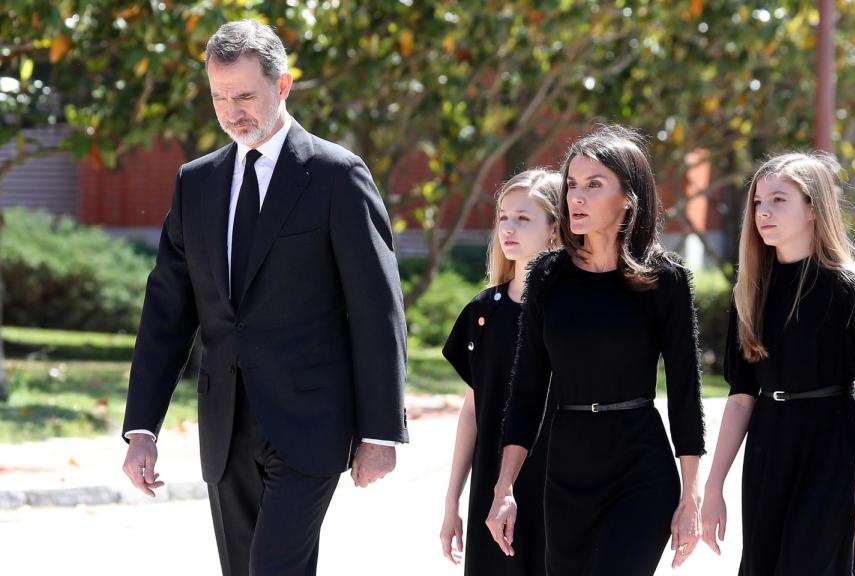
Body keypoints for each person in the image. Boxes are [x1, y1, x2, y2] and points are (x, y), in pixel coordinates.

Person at [119, 20, 408, 576]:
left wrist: (379, 432)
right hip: (225, 425)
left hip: (311, 422)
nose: (232, 112)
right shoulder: (195, 182)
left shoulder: (335, 175)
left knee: (274, 567)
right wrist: (142, 428)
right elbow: (167, 314)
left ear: (283, 86)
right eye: (219, 98)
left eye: (245, 95)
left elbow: (378, 309)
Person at [487, 126, 706, 575]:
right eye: (571, 184)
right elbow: (526, 389)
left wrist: (691, 497)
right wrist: (504, 487)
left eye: (593, 184)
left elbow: (687, 392)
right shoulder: (548, 275)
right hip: (566, 471)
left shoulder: (666, 280)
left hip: (641, 471)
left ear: (628, 197)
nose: (576, 197)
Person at [700, 152, 855, 575]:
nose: (762, 212)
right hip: (769, 447)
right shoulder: (751, 292)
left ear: (812, 208)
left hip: (831, 449)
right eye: (757, 202)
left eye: (778, 200)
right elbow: (740, 399)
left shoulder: (850, 289)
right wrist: (712, 488)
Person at [439, 169, 562, 574]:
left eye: (524, 218)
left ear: (554, 229)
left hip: (559, 487)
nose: (508, 228)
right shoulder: (482, 313)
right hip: (492, 493)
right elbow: (473, 411)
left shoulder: (573, 315)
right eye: (504, 217)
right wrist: (452, 502)